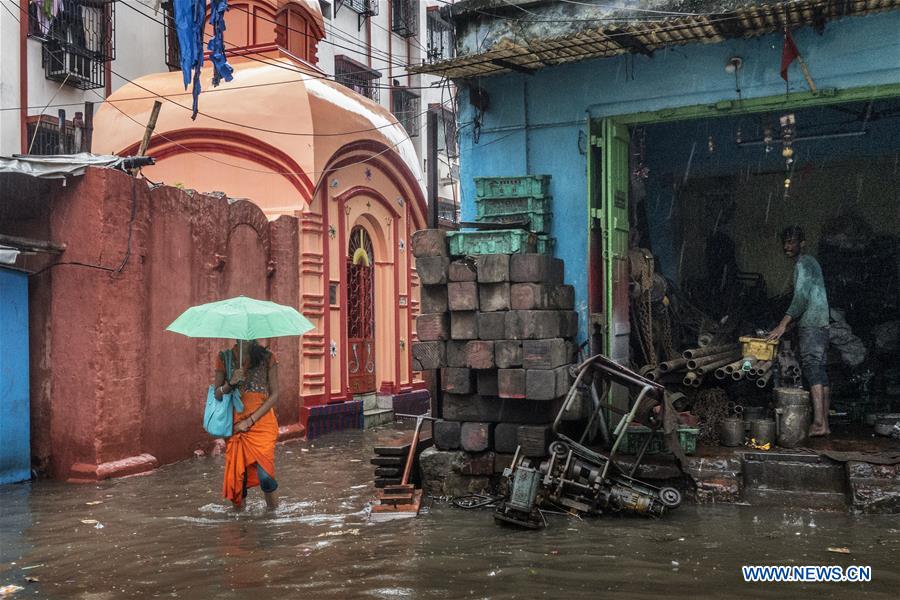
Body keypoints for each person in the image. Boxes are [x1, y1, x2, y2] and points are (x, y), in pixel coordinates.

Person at [766, 226, 831, 436]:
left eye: (792, 242)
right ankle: (825, 424)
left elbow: (801, 298)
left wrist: (782, 324)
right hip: (820, 323)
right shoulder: (811, 263)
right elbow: (808, 298)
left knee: (812, 369)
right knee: (819, 370)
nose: (787, 246)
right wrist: (791, 324)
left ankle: (819, 424)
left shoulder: (804, 263)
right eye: (785, 242)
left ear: (802, 243)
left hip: (812, 324)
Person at [214, 339, 280, 510]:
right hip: (235, 426)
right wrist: (230, 384)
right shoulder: (225, 358)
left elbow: (275, 395)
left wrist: (250, 420)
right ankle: (240, 525)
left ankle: (273, 518)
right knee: (238, 480)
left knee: (265, 476)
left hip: (262, 424)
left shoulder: (268, 357)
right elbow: (217, 394)